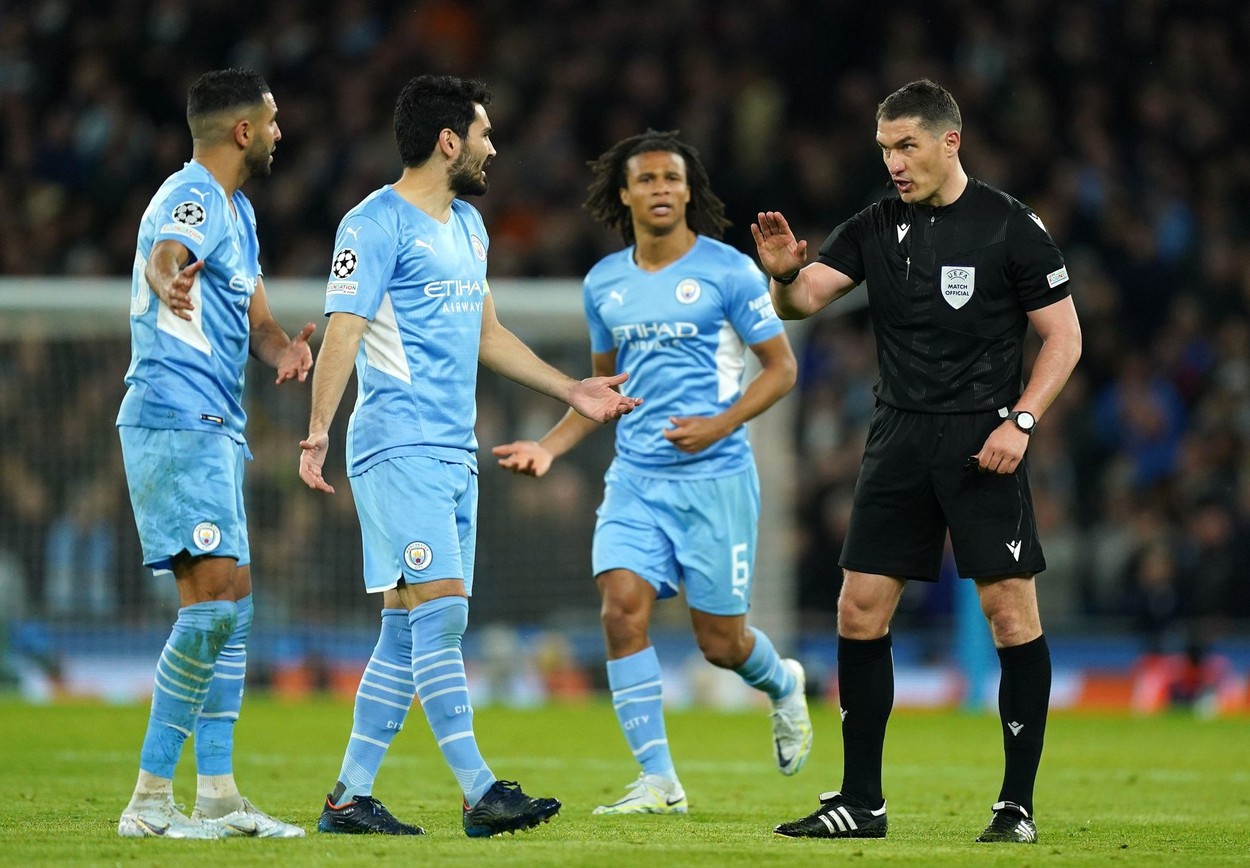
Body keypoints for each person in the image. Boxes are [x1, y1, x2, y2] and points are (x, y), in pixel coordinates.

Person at [297, 73, 640, 839]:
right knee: (445, 611)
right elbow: (345, 328)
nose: (493, 146)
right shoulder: (372, 224)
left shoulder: (469, 229)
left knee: (406, 627)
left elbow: (486, 335)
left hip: (454, 450)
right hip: (395, 443)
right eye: (484, 133)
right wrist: (319, 426)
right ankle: (480, 791)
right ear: (448, 141)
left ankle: (348, 798)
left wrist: (571, 390)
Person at [752, 79, 1082, 844]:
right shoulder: (875, 225)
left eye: (906, 146)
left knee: (1009, 613)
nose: (894, 163)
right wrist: (781, 273)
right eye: (884, 149)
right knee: (858, 609)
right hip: (898, 436)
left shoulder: (1010, 226)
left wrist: (1023, 421)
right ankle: (861, 803)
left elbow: (1063, 338)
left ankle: (1016, 808)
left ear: (948, 142)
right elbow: (803, 301)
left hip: (983, 440)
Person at [493, 129, 811, 816]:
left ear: (689, 189)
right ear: (624, 194)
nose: (661, 188)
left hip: (717, 478)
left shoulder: (729, 271)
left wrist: (721, 424)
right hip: (636, 478)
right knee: (620, 612)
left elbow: (783, 369)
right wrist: (550, 447)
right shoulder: (603, 284)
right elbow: (600, 394)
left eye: (672, 177)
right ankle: (660, 783)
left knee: (720, 644)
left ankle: (783, 683)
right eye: (646, 179)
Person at [116, 67, 312, 839]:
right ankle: (150, 803)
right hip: (174, 417)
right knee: (206, 614)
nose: (279, 131)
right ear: (242, 131)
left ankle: (221, 797)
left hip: (216, 426)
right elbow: (167, 254)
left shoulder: (241, 213)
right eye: (271, 120)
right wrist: (166, 281)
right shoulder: (190, 194)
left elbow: (259, 323)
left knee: (233, 604)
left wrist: (282, 351)